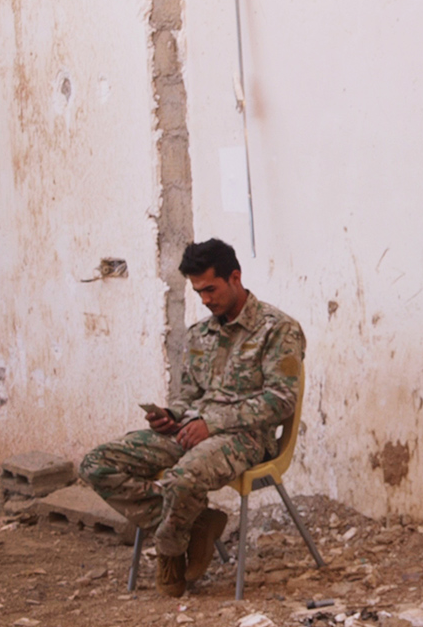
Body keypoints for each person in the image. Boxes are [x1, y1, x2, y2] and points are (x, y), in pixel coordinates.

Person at [80, 238, 305, 597]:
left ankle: (169, 549)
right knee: (96, 463)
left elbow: (281, 402)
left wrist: (212, 424)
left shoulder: (278, 329)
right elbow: (188, 395)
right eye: (198, 291)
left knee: (182, 479)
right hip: (191, 430)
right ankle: (197, 523)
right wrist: (171, 415)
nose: (205, 299)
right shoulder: (199, 334)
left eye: (211, 289)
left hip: (245, 438)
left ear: (235, 278)